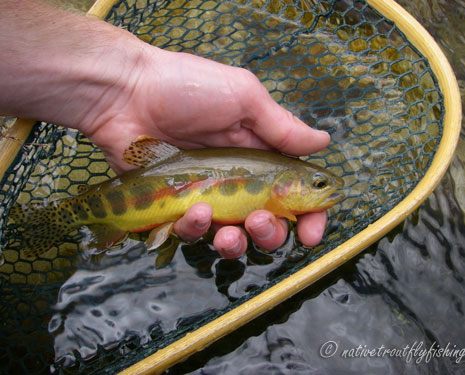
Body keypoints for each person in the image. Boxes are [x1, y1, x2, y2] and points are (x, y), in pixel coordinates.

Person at [0, 0, 331, 259]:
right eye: (319, 184)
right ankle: (55, 220)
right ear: (285, 185)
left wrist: (125, 84)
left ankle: (57, 221)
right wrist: (126, 84)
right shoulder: (272, 183)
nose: (324, 189)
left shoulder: (275, 188)